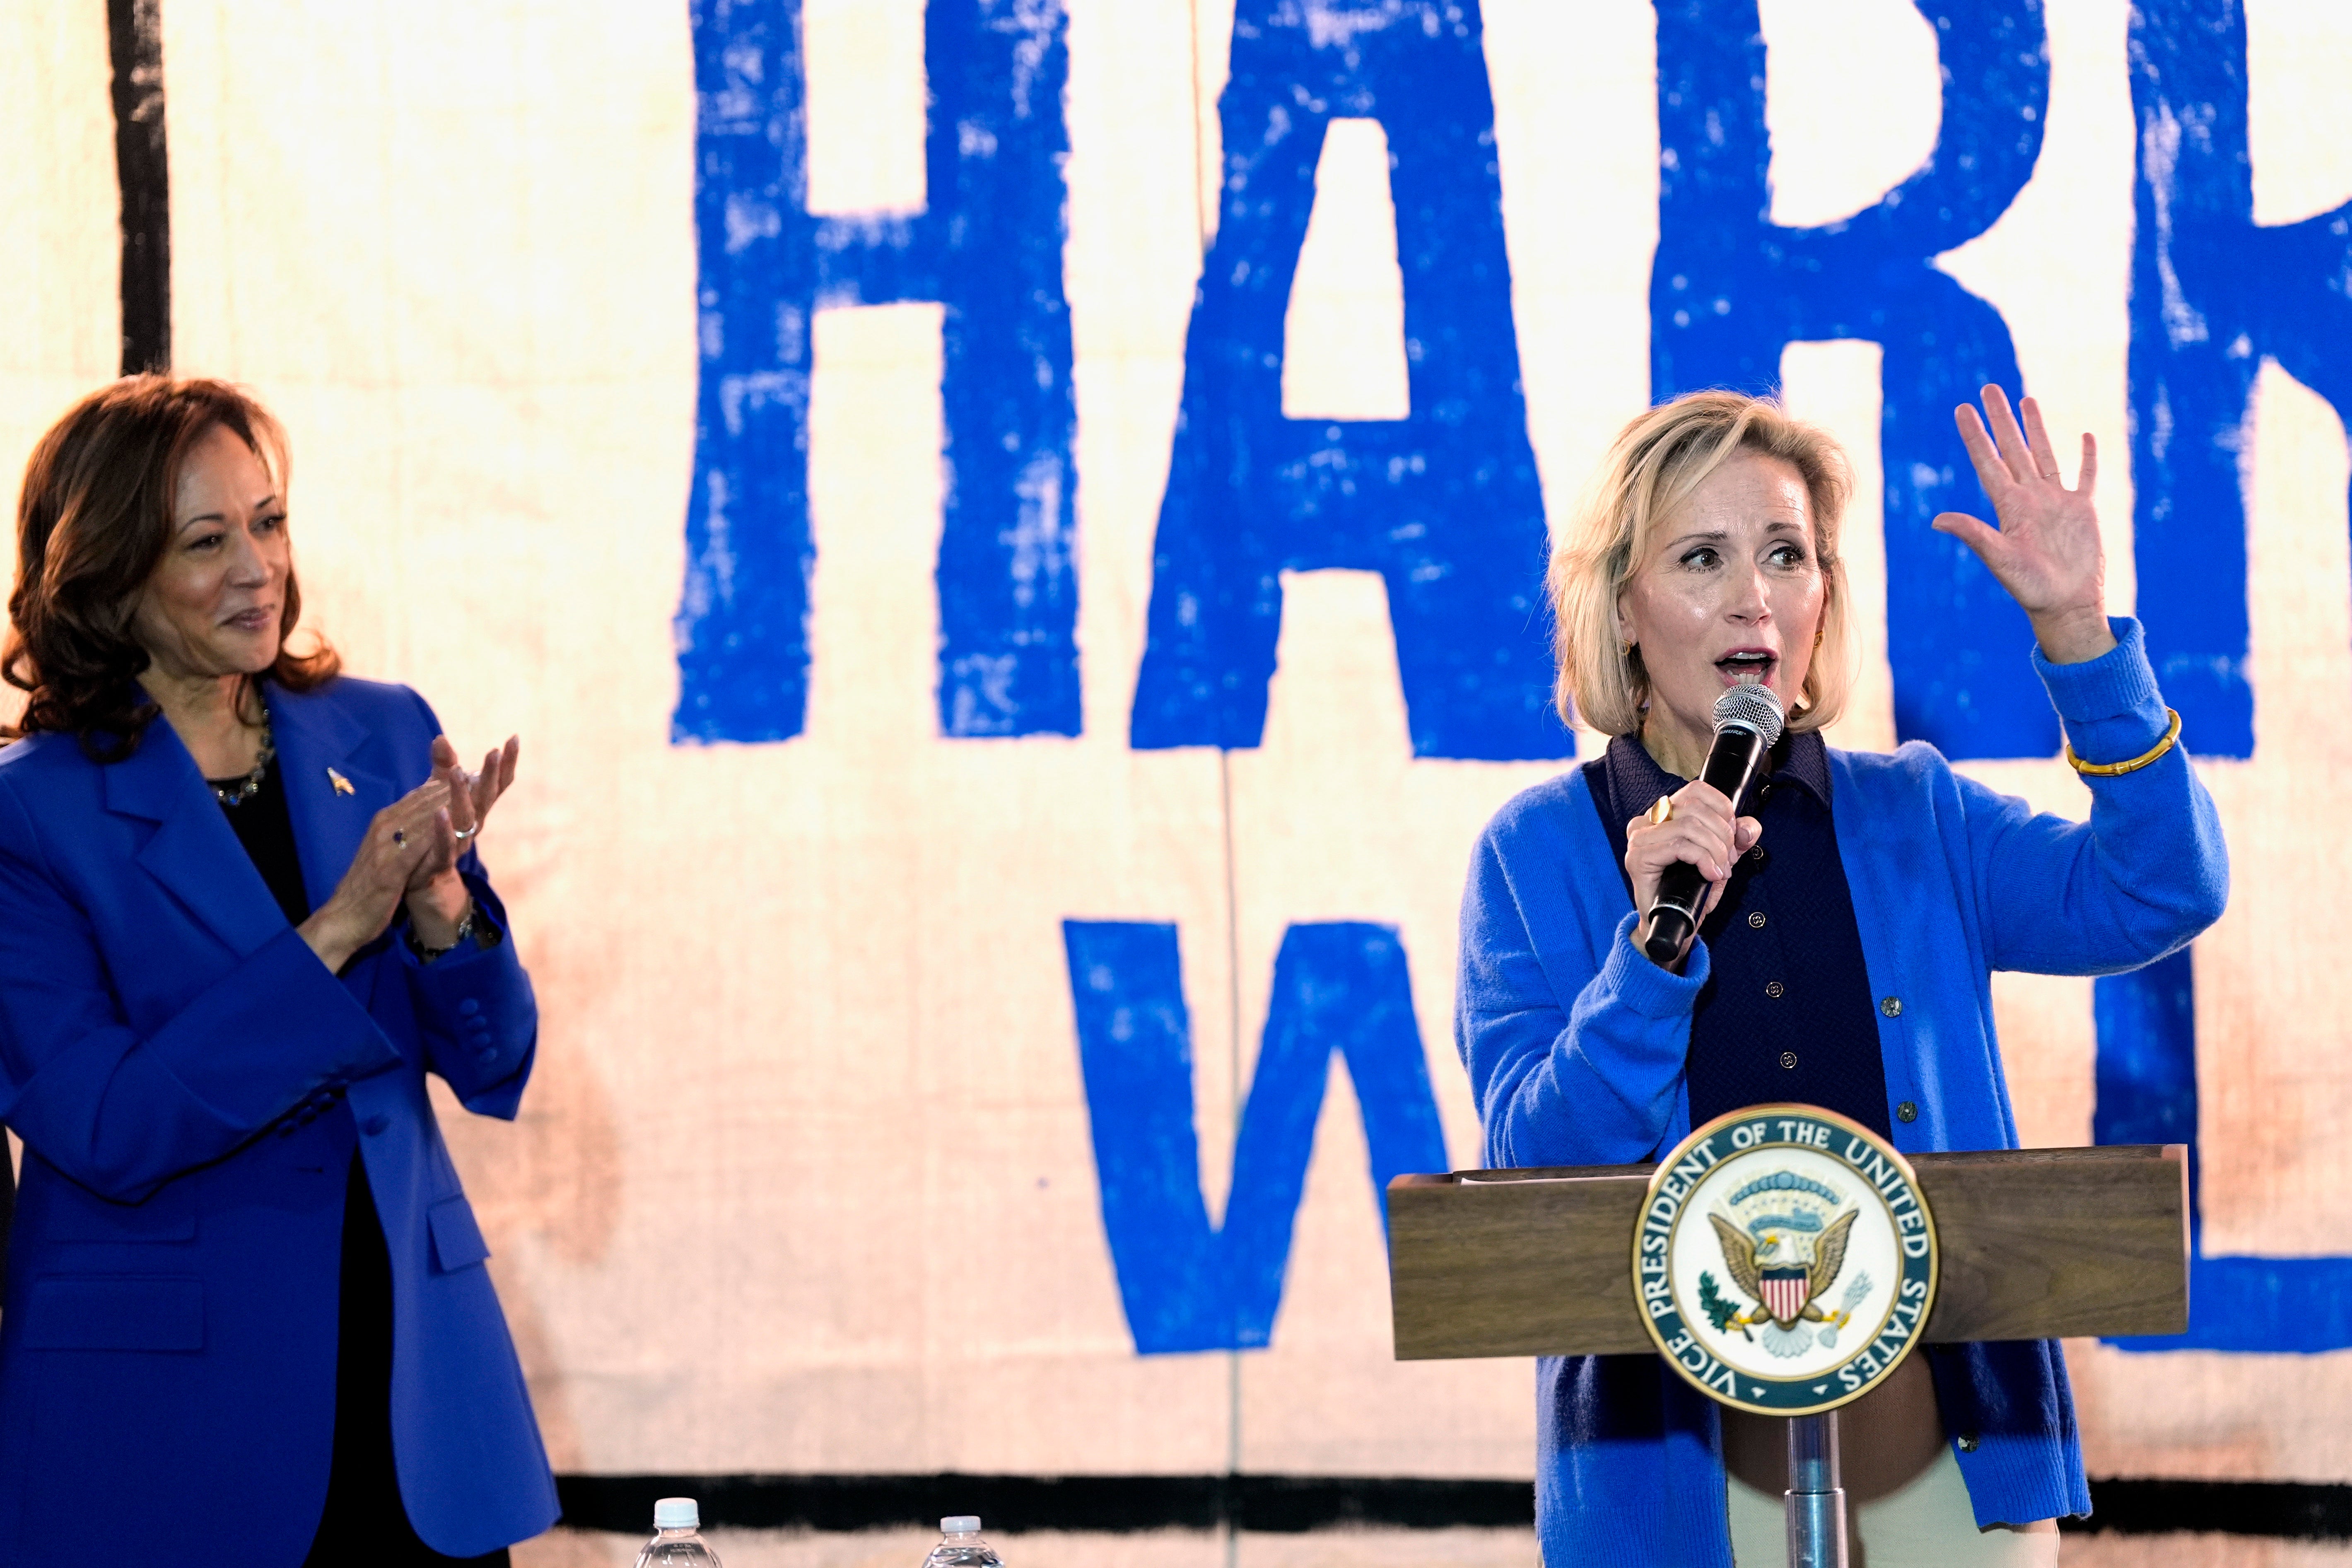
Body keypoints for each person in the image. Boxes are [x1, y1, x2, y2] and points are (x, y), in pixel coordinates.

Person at [1455, 386, 2227, 1566]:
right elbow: (1536, 1166)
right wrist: (1651, 955)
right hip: (1676, 1477)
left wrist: (2079, 636)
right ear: (1621, 605)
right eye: (1702, 557)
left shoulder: (1915, 811)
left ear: (1823, 602)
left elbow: (2162, 888)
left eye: (1787, 555)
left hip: (1944, 1457)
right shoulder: (1535, 853)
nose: (1753, 594)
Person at [0, 377, 560, 1564]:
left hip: (408, 1397)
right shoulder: (30, 817)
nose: (260, 566)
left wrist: (445, 908)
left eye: (270, 521)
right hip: (168, 1422)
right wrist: (341, 928)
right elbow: (107, 1122)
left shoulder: (382, 729)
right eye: (208, 541)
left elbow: (498, 1061)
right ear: (108, 578)